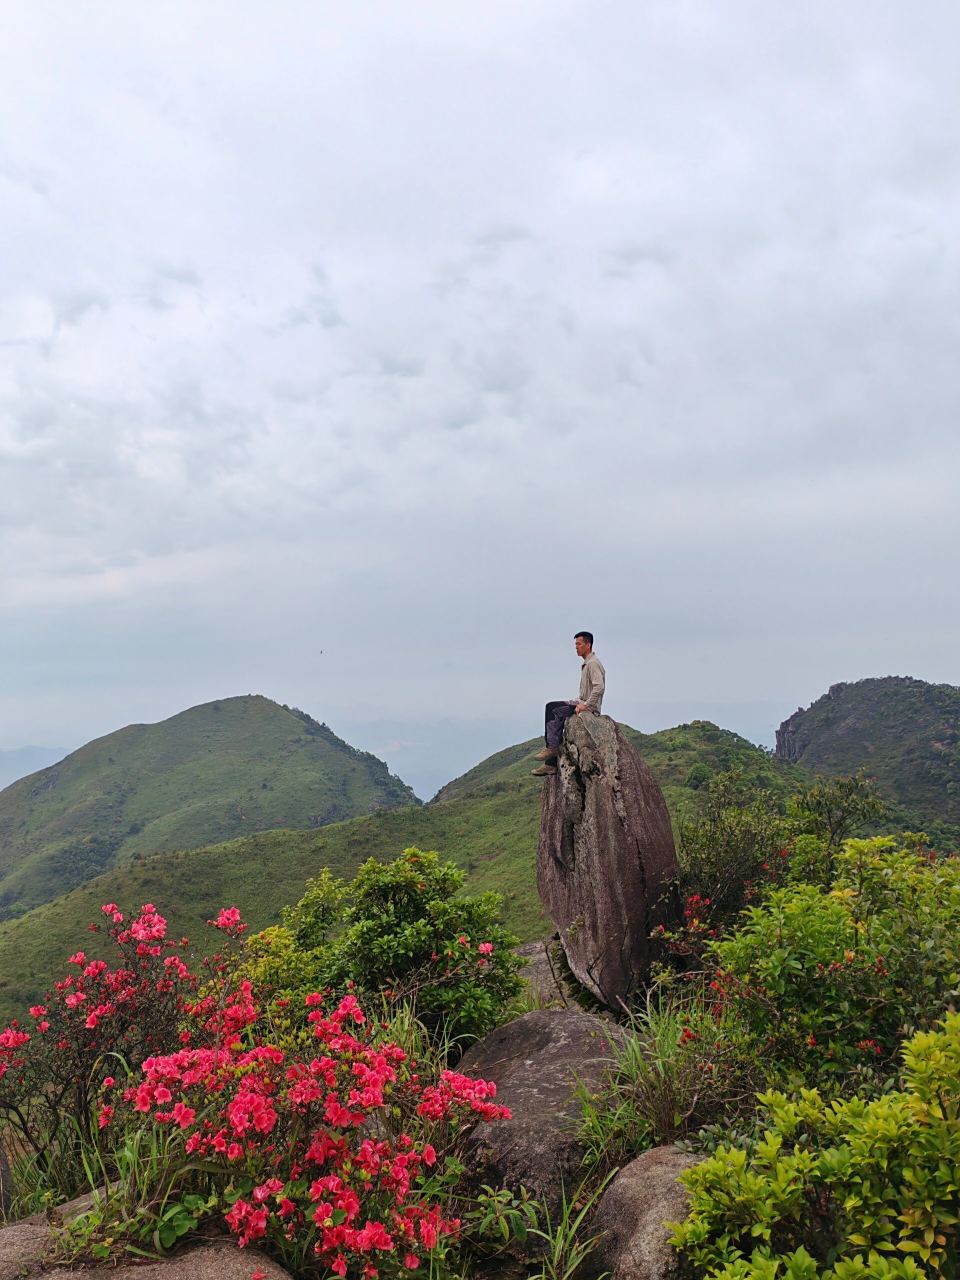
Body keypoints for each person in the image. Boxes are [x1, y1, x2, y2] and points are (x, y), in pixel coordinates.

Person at [532, 632, 605, 775]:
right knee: (553, 710)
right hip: (582, 702)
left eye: (579, 644)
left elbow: (599, 687)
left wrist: (586, 705)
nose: (576, 647)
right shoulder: (587, 663)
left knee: (553, 709)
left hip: (589, 707)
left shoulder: (593, 663)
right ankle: (551, 762)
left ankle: (552, 750)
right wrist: (577, 700)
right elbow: (587, 691)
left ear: (588, 645)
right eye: (575, 644)